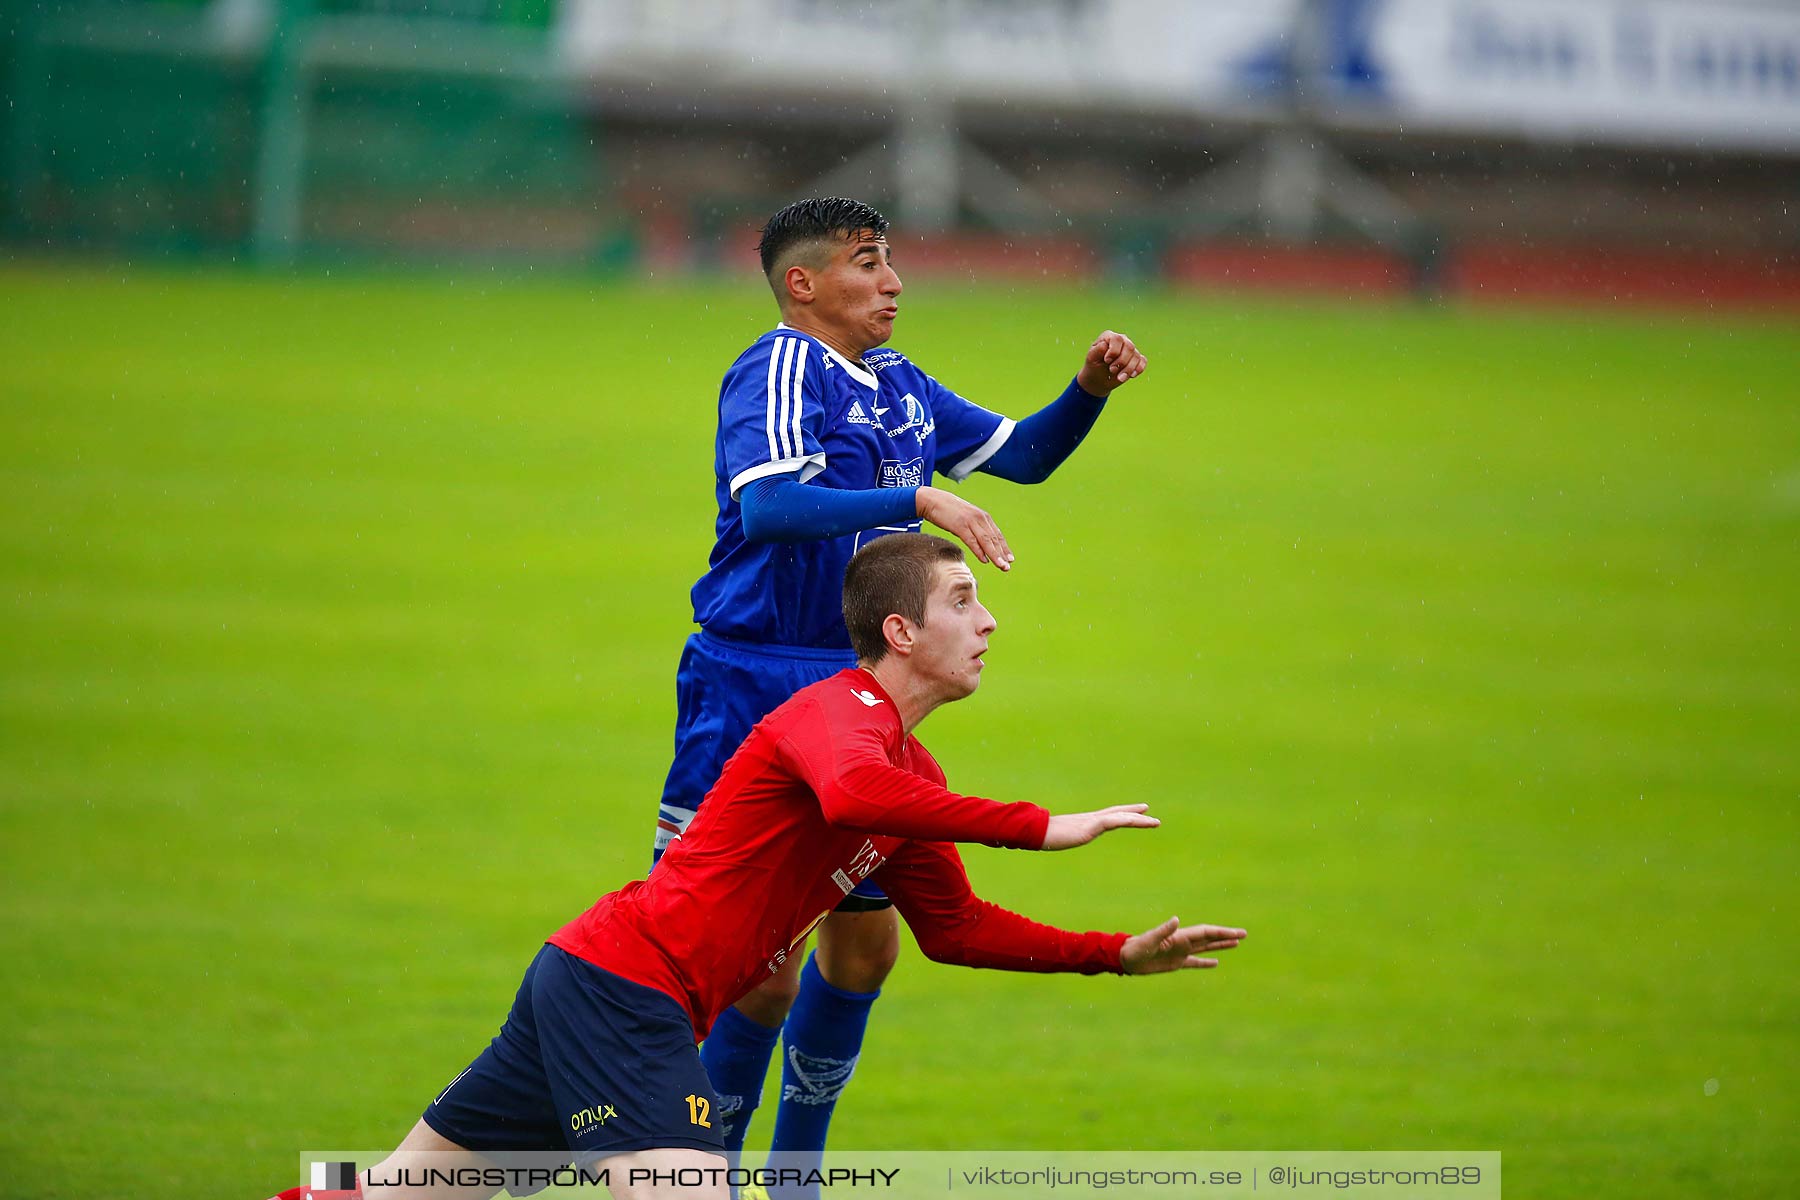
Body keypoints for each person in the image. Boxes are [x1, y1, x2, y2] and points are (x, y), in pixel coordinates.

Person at [267, 533, 1244, 1200]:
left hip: (594, 982)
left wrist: (1114, 954)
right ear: (899, 634)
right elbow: (854, 796)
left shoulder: (913, 772)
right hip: (623, 992)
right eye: (962, 600)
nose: (989, 621)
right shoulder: (833, 717)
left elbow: (953, 931)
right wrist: (1039, 826)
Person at [660, 196, 1149, 1171]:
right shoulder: (776, 369)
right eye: (867, 263)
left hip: (863, 696)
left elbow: (1027, 455)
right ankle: (695, 1175)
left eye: (891, 262)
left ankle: (792, 1179)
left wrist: (1087, 390)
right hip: (758, 681)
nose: (892, 283)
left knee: (867, 951)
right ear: (803, 285)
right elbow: (768, 509)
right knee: (758, 975)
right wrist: (915, 496)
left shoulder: (895, 381)